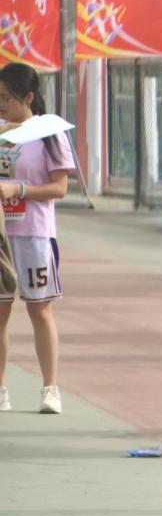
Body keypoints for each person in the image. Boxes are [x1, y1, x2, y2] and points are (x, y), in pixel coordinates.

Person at [0, 63, 76, 414]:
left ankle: (50, 389)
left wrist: (19, 189)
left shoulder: (49, 133)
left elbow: (59, 188)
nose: (1, 104)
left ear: (28, 97)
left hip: (34, 233)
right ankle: (1, 390)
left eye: (7, 97)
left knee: (39, 310)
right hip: (2, 235)